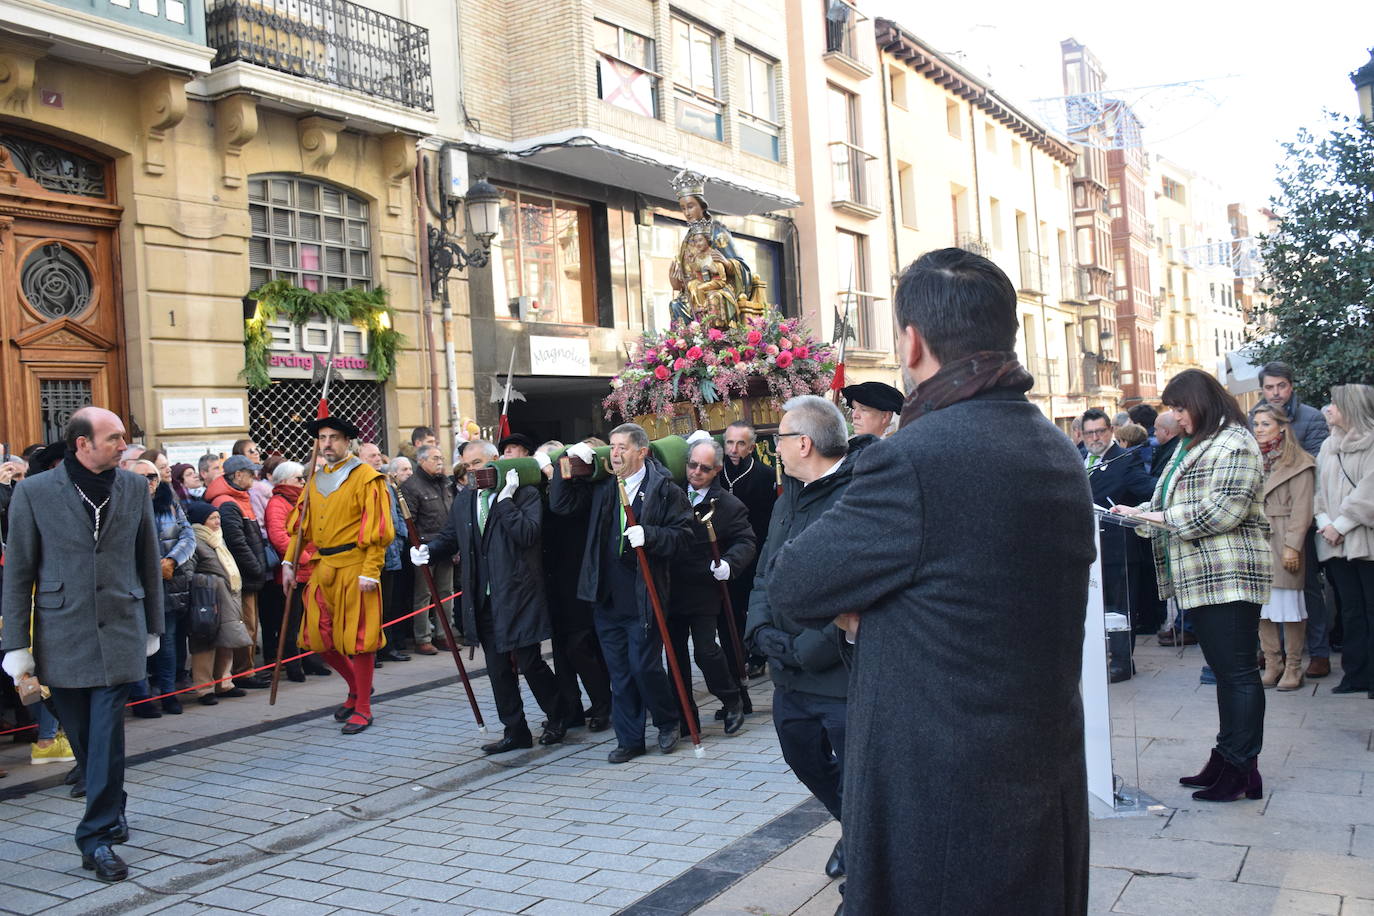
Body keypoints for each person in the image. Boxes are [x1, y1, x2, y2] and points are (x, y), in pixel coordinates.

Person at [770, 249, 1096, 911]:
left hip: (942, 793)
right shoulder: (1055, 447)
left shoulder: (915, 458)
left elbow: (795, 583)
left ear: (912, 342)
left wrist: (862, 607)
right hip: (1041, 772)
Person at [1, 407, 163, 883]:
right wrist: (16, 645)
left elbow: (147, 557)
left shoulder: (134, 486)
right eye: (113, 438)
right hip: (61, 634)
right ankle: (113, 806)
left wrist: (153, 624)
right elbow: (19, 573)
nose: (123, 445)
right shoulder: (33, 492)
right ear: (82, 444)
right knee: (87, 739)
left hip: (121, 630)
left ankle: (96, 837)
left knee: (107, 732)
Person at [1115, 368, 1271, 803]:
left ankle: (1241, 769)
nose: (1177, 417)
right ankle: (1226, 758)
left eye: (1180, 408)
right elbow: (1171, 502)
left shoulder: (1236, 441)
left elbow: (1222, 511)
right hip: (1204, 576)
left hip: (1230, 574)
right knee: (1225, 674)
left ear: (1201, 402)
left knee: (1238, 674)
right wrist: (1138, 512)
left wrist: (1156, 519)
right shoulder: (1199, 442)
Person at [743, 396, 856, 884]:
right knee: (802, 755)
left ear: (804, 443)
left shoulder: (855, 496)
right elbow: (767, 573)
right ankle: (855, 826)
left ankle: (865, 849)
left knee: (858, 771)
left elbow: (859, 586)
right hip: (789, 672)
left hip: (838, 674)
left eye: (780, 439)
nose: (777, 449)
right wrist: (761, 630)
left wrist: (815, 646)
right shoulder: (788, 498)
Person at [550, 424, 692, 762]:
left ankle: (668, 720)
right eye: (612, 447)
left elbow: (686, 535)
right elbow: (562, 504)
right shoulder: (603, 487)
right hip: (606, 595)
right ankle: (630, 739)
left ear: (641, 451)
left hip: (643, 593)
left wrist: (652, 536)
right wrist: (565, 465)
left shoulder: (663, 489)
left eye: (623, 447)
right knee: (620, 672)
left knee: (644, 667)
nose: (615, 453)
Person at [413, 465, 569, 752]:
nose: (475, 471)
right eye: (468, 464)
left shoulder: (525, 494)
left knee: (529, 662)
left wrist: (506, 500)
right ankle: (515, 730)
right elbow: (451, 536)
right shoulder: (465, 498)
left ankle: (559, 717)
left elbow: (527, 533)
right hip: (482, 599)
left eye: (481, 464)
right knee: (497, 668)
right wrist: (429, 551)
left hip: (517, 594)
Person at [281, 416, 394, 735]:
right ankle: (357, 687)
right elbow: (301, 529)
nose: (327, 443)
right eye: (322, 437)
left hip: (357, 567)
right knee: (317, 637)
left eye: (333, 437)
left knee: (360, 639)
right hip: (323, 567)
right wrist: (289, 564)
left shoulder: (368, 478)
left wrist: (371, 572)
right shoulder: (314, 480)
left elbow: (378, 531)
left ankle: (363, 708)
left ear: (348, 442)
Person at [1251, 361, 1333, 678]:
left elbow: (1315, 468)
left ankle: (1318, 653)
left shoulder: (1311, 418)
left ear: (1291, 386)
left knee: (1306, 588)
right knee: (1267, 597)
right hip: (1263, 526)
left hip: (1298, 518)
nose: (1275, 392)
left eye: (1280, 386)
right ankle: (1273, 658)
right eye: (1269, 387)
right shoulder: (1254, 417)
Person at [669, 439, 755, 737]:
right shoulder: (672, 492)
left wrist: (730, 563)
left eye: (704, 469)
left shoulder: (729, 504)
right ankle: (684, 715)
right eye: (692, 465)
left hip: (703, 587)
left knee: (705, 651)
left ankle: (731, 699)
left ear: (716, 469)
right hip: (670, 584)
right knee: (674, 655)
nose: (695, 472)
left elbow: (746, 540)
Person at [534, 441, 612, 733]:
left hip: (578, 578)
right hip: (554, 579)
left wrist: (554, 468)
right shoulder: (544, 488)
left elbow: (561, 504)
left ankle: (604, 704)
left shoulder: (583, 488)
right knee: (562, 652)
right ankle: (572, 708)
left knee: (581, 647)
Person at [1314, 383, 1374, 697]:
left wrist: (1341, 525)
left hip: (1366, 542)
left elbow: (1368, 495)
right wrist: (1326, 524)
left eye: (1335, 404)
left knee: (1371, 608)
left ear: (1350, 408)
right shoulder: (1328, 446)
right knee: (1349, 610)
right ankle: (1355, 674)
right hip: (1335, 543)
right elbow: (1319, 492)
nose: (1330, 410)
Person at [1252, 404, 1316, 691]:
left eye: (1265, 424)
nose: (1259, 430)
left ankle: (1293, 667)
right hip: (1257, 541)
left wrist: (1292, 546)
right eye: (1256, 424)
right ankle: (1272, 663)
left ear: (1282, 426)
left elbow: (1303, 508)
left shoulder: (1299, 462)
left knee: (1289, 606)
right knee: (1263, 608)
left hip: (1283, 540)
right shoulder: (1254, 461)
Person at [127, 459, 196, 718]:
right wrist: (147, 567)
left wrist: (171, 560)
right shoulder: (122, 504)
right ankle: (141, 697)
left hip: (168, 582)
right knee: (138, 643)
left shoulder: (170, 501)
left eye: (153, 476)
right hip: (136, 585)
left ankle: (168, 694)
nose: (150, 482)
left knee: (167, 642)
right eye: (143, 477)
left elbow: (187, 535)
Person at [1083, 407, 1157, 646]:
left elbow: (1150, 488)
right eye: (1089, 433)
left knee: (1120, 609)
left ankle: (1122, 661)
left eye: (1100, 432)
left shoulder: (1125, 459)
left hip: (1118, 548)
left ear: (1111, 431)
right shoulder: (1078, 457)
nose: (1095, 438)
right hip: (1087, 548)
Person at [206, 454, 270, 689]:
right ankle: (244, 672)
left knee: (249, 624)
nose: (254, 477)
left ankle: (246, 669)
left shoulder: (237, 497)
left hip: (246, 573)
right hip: (241, 575)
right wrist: (256, 568)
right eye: (250, 473)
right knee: (246, 624)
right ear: (238, 475)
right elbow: (237, 542)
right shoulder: (227, 502)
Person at [719, 421, 777, 684]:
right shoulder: (718, 472)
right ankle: (738, 652)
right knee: (730, 605)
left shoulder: (764, 474)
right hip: (725, 551)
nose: (734, 449)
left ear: (751, 447)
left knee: (751, 605)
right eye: (730, 442)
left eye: (741, 443)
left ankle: (757, 654)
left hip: (755, 550)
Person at [263, 462, 329, 681]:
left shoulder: (304, 499)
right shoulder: (277, 503)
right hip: (294, 569)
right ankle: (294, 665)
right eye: (298, 478)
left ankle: (310, 660)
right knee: (291, 622)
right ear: (284, 481)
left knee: (309, 619)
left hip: (312, 569)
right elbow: (279, 537)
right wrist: (303, 558)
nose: (303, 481)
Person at [185, 501, 252, 705]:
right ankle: (204, 688)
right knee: (204, 643)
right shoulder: (194, 540)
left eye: (218, 518)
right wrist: (208, 582)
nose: (217, 522)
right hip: (206, 598)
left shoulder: (218, 539)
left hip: (227, 596)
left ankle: (224, 682)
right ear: (200, 521)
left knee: (227, 638)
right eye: (212, 518)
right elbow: (188, 571)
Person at [399, 444, 455, 655]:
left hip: (446, 545)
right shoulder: (412, 486)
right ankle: (422, 638)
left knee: (446, 592)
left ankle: (444, 634)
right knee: (423, 594)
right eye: (435, 458)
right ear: (421, 461)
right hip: (424, 548)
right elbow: (409, 521)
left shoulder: (445, 483)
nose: (440, 461)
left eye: (441, 457)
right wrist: (418, 547)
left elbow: (452, 515)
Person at [359, 443, 411, 665]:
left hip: (389, 552)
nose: (378, 458)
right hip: (368, 557)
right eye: (372, 455)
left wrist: (400, 538)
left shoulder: (385, 483)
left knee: (387, 605)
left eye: (379, 454)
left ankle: (386, 647)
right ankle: (371, 650)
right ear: (360, 458)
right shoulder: (359, 483)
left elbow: (396, 514)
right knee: (369, 608)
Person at [840, 381, 903, 446]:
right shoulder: (851, 447)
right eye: (854, 408)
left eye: (863, 409)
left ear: (885, 416)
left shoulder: (895, 450)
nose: (854, 415)